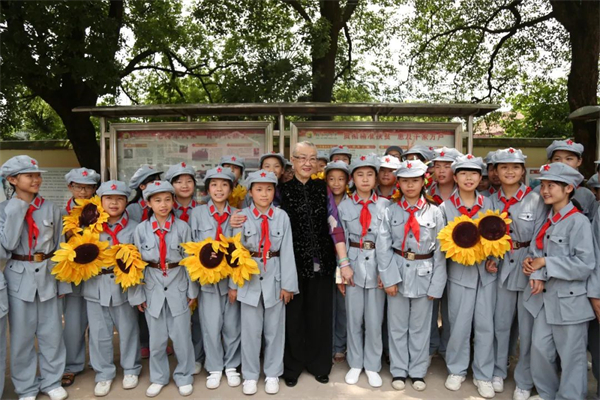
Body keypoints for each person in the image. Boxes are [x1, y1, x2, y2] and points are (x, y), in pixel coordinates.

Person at [522, 162, 595, 400]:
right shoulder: (547, 218)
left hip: (570, 301)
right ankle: (547, 393)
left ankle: (570, 397)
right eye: (543, 185)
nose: (544, 190)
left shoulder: (578, 222)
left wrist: (545, 263)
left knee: (572, 356)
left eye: (551, 185)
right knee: (540, 349)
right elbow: (536, 251)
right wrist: (534, 268)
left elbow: (584, 264)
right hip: (545, 300)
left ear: (569, 188)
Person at [0, 155, 69, 400]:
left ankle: (52, 382)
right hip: (19, 277)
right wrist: (17, 209)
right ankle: (26, 387)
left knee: (52, 333)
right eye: (29, 175)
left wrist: (63, 282)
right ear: (12, 180)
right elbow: (7, 246)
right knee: (22, 337)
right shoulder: (4, 210)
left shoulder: (51, 208)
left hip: (48, 275)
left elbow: (61, 246)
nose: (36, 179)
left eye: (37, 175)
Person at [377, 159, 446, 392]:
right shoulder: (390, 211)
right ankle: (398, 369)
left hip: (424, 273)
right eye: (405, 181)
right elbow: (383, 247)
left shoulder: (435, 212)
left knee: (420, 327)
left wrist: (437, 284)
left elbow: (440, 251)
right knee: (397, 326)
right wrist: (388, 278)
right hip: (397, 272)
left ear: (423, 182)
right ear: (399, 182)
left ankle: (417, 371)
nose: (409, 185)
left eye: (415, 180)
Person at [232, 170, 299, 395]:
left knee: (274, 330)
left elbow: (287, 251)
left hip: (275, 278)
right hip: (248, 279)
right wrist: (233, 286)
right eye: (259, 189)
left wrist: (288, 285)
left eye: (269, 189)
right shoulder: (241, 216)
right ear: (250, 192)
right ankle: (250, 375)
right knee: (250, 332)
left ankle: (272, 373)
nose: (264, 194)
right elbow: (233, 253)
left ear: (274, 192)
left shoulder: (281, 216)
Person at [129, 181, 198, 398]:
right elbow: (135, 264)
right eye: (157, 200)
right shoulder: (140, 230)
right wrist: (137, 294)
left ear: (173, 201)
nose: (163, 204)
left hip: (178, 284)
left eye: (168, 199)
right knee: (156, 339)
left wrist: (192, 290)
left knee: (182, 337)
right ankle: (158, 377)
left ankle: (184, 376)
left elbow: (190, 260)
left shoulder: (183, 228)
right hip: (152, 287)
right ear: (148, 203)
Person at [487, 148, 546, 400]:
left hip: (527, 265)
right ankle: (498, 370)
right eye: (503, 167)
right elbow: (487, 235)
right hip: (502, 265)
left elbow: (542, 235)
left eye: (515, 167)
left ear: (523, 171)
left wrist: (537, 270)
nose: (509, 171)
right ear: (496, 171)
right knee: (499, 323)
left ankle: (524, 379)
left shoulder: (537, 200)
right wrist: (491, 257)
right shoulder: (490, 201)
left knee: (527, 327)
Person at [280, 141, 338, 386]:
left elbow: (334, 222)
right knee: (293, 317)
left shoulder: (323, 188)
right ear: (292, 161)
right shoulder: (281, 190)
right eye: (302, 158)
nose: (307, 163)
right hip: (291, 264)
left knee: (320, 315)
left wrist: (343, 261)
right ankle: (292, 367)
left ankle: (319, 364)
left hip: (322, 262)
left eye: (312, 158)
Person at [441, 154, 497, 399]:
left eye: (474, 173)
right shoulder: (445, 207)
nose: (469, 178)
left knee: (485, 325)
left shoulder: (490, 204)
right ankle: (456, 369)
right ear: (455, 177)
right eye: (463, 173)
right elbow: (440, 246)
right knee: (459, 325)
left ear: (480, 177)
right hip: (459, 274)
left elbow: (498, 237)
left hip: (486, 276)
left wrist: (494, 259)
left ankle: (483, 374)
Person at [84, 180, 142, 397]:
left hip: (124, 285)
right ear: (100, 201)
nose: (114, 203)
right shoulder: (90, 227)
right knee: (99, 332)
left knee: (128, 329)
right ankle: (103, 373)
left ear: (127, 202)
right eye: (109, 198)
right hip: (96, 285)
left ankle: (131, 368)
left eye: (119, 199)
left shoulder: (136, 227)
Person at [337, 155, 389, 388]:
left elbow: (389, 241)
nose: (365, 179)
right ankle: (355, 363)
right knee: (354, 318)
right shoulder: (344, 206)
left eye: (369, 174)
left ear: (376, 178)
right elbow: (339, 239)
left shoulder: (386, 205)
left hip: (377, 264)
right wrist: (343, 268)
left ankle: (372, 365)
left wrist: (385, 271)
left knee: (375, 320)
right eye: (360, 174)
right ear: (352, 179)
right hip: (353, 266)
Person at [189, 167, 242, 389]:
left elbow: (239, 251)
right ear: (207, 189)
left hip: (230, 280)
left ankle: (231, 366)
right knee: (210, 326)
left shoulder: (238, 214)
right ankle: (214, 367)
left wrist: (234, 284)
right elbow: (191, 250)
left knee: (232, 326)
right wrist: (193, 289)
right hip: (207, 282)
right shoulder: (197, 214)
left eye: (224, 185)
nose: (219, 189)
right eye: (214, 185)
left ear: (231, 189)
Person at [61, 167, 101, 388]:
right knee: (73, 322)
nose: (83, 192)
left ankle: (99, 362)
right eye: (78, 186)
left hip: (96, 273)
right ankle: (72, 365)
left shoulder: (101, 210)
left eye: (88, 187)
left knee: (98, 320)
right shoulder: (61, 213)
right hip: (72, 273)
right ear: (70, 187)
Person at [165, 162, 203, 375]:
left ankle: (197, 356)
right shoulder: (165, 209)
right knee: (178, 315)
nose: (185, 185)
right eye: (179, 181)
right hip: (175, 271)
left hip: (201, 269)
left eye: (189, 181)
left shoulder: (202, 209)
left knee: (199, 316)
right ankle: (180, 356)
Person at [427, 147, 461, 363]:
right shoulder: (426, 194)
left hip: (459, 260)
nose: (441, 171)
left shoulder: (465, 193)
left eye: (447, 166)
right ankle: (431, 345)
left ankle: (448, 348)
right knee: (430, 304)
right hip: (430, 258)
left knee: (452, 307)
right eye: (437, 166)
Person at [127, 165, 164, 360]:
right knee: (142, 305)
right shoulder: (133, 208)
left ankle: (158, 342)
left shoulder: (164, 205)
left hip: (161, 262)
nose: (156, 184)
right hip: (140, 260)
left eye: (158, 180)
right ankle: (144, 342)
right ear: (141, 187)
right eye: (151, 181)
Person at [325, 161, 350, 364]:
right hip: (325, 257)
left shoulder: (351, 202)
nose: (336, 183)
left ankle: (340, 345)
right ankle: (329, 343)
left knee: (343, 303)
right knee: (327, 303)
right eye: (332, 179)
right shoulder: (322, 200)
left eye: (341, 179)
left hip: (345, 258)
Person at [544, 139, 598, 222]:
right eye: (557, 159)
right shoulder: (540, 192)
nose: (562, 163)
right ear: (550, 162)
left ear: (579, 161)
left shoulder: (587, 195)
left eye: (569, 159)